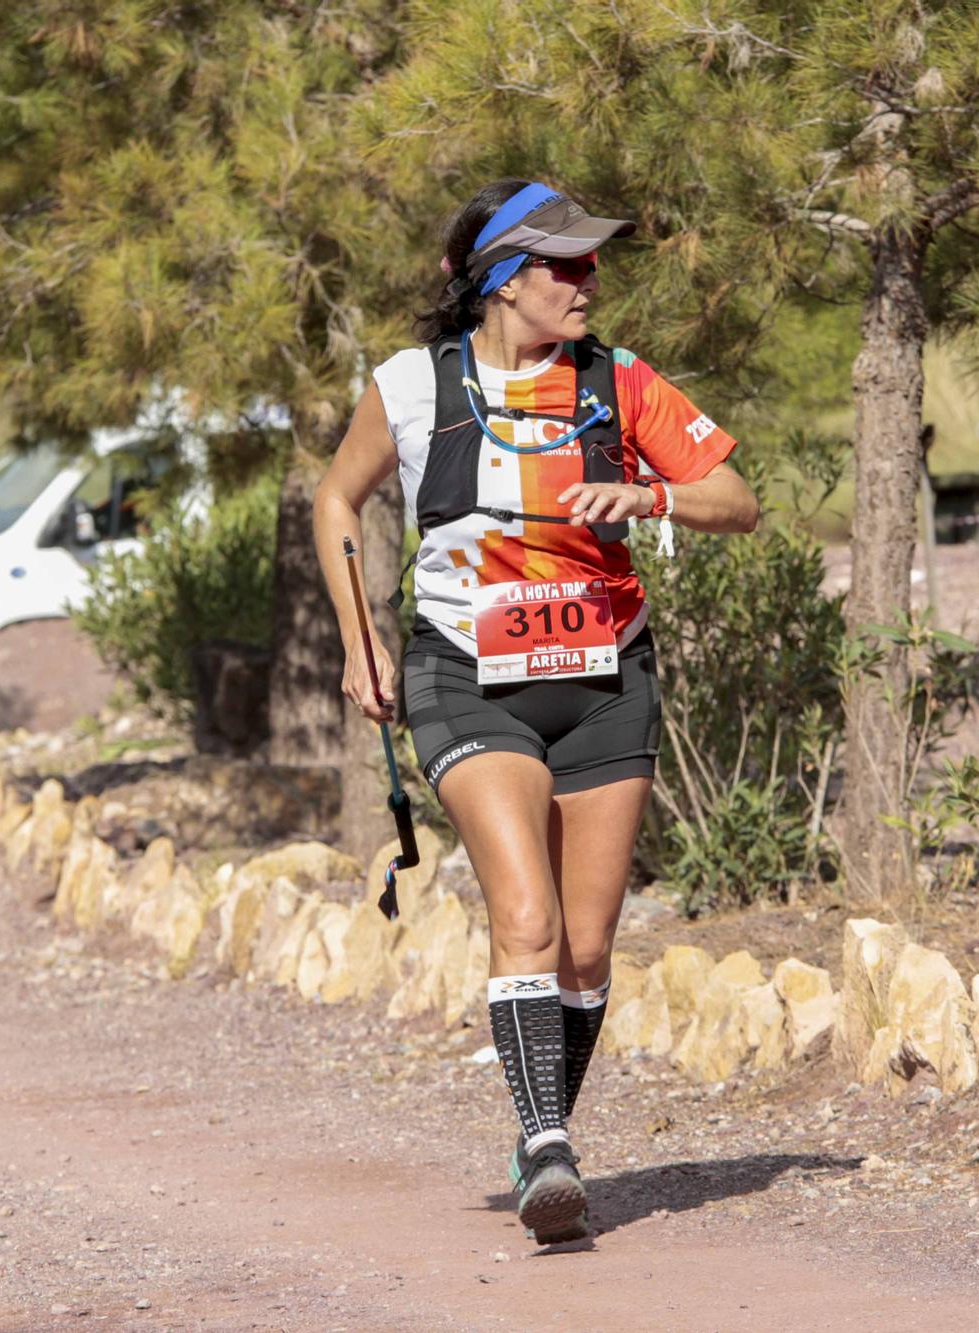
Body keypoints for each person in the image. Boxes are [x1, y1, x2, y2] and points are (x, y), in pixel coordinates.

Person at [312, 179, 759, 1245]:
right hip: (463, 672)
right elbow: (337, 499)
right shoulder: (415, 386)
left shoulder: (618, 380)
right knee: (527, 917)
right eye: (563, 265)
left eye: (590, 263)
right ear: (502, 280)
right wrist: (356, 638)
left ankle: (539, 1133)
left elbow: (736, 502)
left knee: (588, 950)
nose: (585, 281)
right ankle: (547, 1145)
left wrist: (648, 495)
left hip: (605, 680)